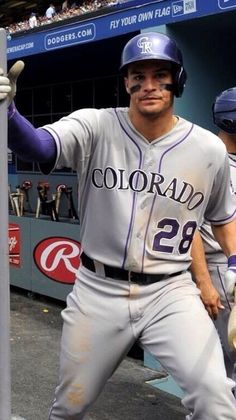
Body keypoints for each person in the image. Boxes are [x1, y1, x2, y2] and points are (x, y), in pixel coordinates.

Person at [0, 32, 236, 419]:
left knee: (215, 398)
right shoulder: (95, 126)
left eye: (160, 74)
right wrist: (9, 114)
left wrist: (233, 261)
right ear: (124, 82)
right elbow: (39, 148)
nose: (148, 85)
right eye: (136, 75)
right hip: (98, 290)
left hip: (171, 292)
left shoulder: (207, 149)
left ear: (178, 80)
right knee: (69, 408)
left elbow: (223, 216)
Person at [191, 88, 236, 383]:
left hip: (230, 266)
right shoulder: (208, 161)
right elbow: (190, 228)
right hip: (220, 271)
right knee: (224, 366)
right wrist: (205, 283)